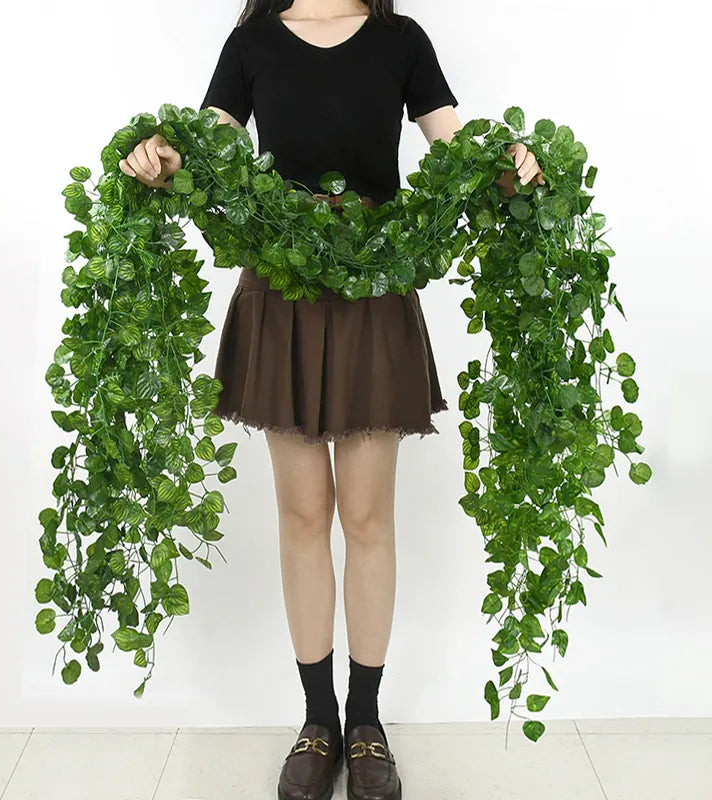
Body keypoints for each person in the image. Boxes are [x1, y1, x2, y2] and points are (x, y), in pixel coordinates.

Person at [119, 3, 543, 799]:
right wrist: (157, 157)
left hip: (375, 287)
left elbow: (459, 147)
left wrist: (512, 160)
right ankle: (317, 723)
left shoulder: (400, 40)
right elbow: (203, 143)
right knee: (304, 515)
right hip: (282, 288)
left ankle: (367, 724)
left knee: (369, 518)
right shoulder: (252, 42)